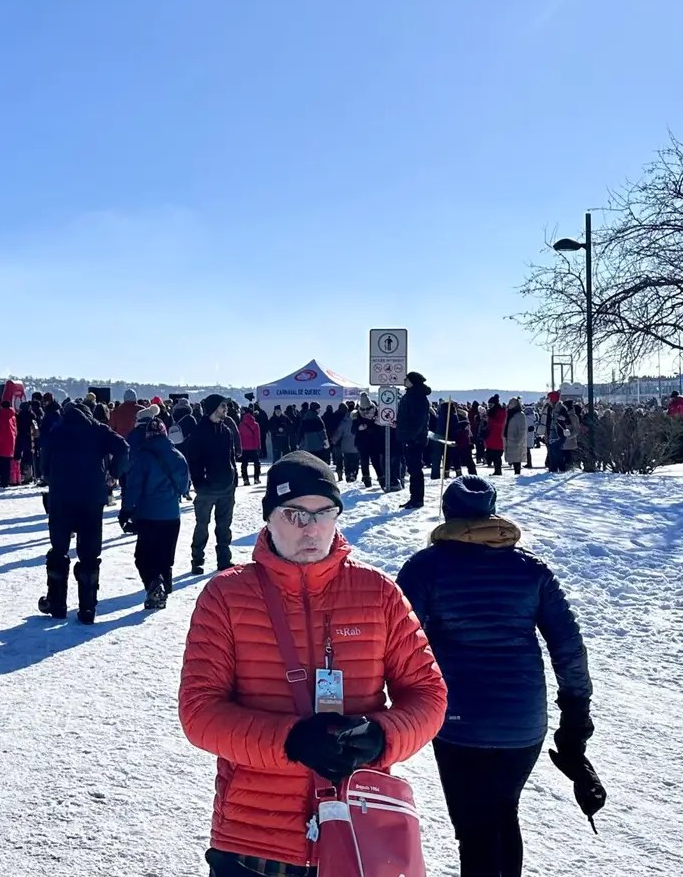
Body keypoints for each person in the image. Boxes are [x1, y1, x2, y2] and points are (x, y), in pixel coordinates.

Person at [179, 453, 448, 877]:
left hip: (358, 832)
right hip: (254, 843)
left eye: (324, 513)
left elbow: (428, 694)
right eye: (295, 514)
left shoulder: (377, 592)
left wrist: (382, 735)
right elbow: (199, 713)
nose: (312, 527)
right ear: (269, 518)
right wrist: (289, 741)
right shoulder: (226, 597)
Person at [397, 476, 592, 877]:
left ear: (448, 514)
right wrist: (576, 717)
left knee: (476, 830)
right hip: (523, 724)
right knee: (503, 812)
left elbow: (393, 638)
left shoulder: (425, 568)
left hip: (459, 723)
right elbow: (568, 648)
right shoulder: (530, 570)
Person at [38, 400, 128, 623]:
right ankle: (88, 607)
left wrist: (52, 477)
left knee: (59, 550)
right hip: (91, 497)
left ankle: (57, 603)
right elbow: (124, 448)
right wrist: (114, 474)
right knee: (89, 553)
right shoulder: (97, 429)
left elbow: (43, 463)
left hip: (62, 497)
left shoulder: (57, 430)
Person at [120, 405, 191, 610]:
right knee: (165, 556)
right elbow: (185, 486)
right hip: (172, 515)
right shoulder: (178, 456)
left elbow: (133, 487)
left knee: (143, 557)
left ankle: (155, 585)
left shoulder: (142, 457)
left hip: (149, 515)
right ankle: (163, 589)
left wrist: (126, 510)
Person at [183, 395, 240, 575]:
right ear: (213, 408)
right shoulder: (199, 432)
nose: (226, 409)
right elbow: (192, 460)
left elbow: (231, 457)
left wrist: (234, 478)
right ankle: (197, 560)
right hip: (206, 488)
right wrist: (199, 482)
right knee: (202, 525)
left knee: (224, 526)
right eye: (223, 406)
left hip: (226, 487)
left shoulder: (227, 431)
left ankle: (224, 559)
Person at [398, 372, 433, 508]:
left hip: (414, 440)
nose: (404, 380)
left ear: (412, 381)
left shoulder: (416, 397)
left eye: (407, 379)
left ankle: (417, 499)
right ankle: (414, 497)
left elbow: (418, 421)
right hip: (411, 438)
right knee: (413, 469)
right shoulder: (412, 395)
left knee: (415, 469)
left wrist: (410, 437)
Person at [236, 401, 264, 486]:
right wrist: (258, 446)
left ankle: (245, 480)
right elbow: (257, 437)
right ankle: (256, 478)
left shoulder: (241, 425)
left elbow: (239, 437)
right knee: (257, 463)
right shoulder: (255, 425)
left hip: (244, 448)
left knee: (244, 464)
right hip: (253, 447)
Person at [503, 398, 529, 475]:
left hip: (516, 440)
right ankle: (515, 471)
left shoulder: (520, 415)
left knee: (517, 458)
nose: (509, 405)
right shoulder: (509, 414)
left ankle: (517, 472)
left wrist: (519, 440)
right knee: (513, 457)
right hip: (509, 439)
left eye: (511, 403)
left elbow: (522, 429)